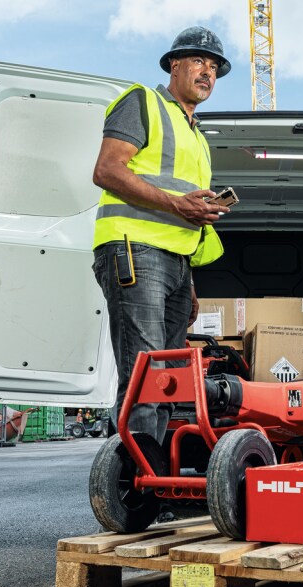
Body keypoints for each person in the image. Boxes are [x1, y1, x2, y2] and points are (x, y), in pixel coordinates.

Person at [91, 26, 231, 444]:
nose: (207, 73)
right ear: (174, 64)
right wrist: (176, 204)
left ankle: (156, 479)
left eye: (214, 67)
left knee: (169, 380)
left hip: (175, 264)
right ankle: (136, 488)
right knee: (146, 374)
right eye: (198, 62)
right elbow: (106, 170)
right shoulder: (143, 102)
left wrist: (188, 281)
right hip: (135, 251)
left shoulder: (198, 136)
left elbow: (190, 214)